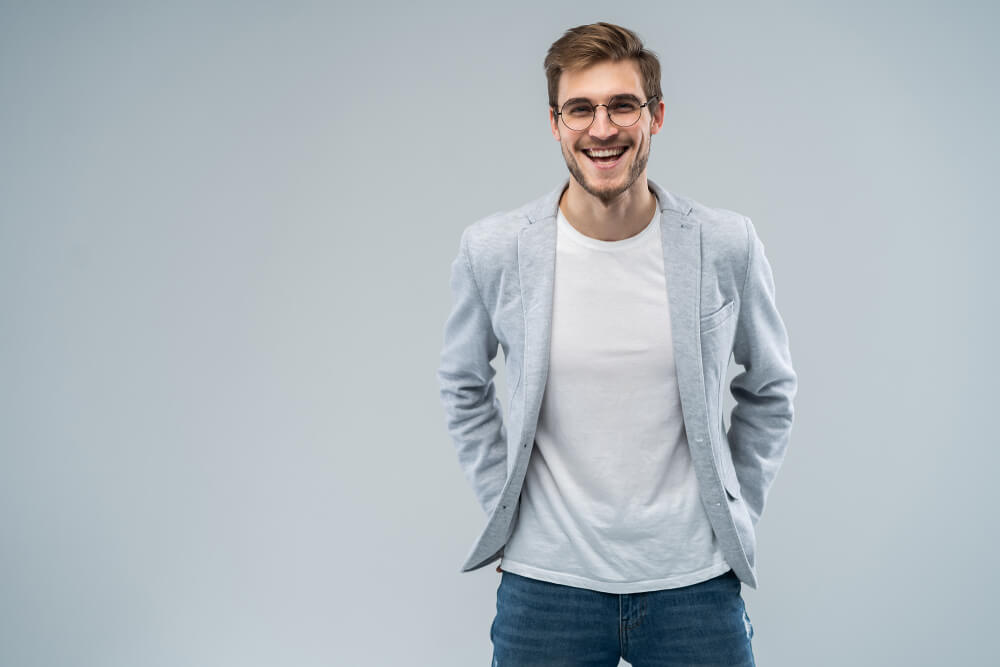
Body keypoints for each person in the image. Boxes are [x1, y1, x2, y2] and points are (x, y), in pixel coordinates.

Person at [436, 21, 797, 666]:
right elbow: (463, 386)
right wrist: (507, 507)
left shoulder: (726, 243)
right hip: (547, 586)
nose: (602, 128)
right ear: (555, 123)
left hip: (695, 586)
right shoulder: (493, 249)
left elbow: (770, 388)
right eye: (581, 108)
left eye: (622, 105)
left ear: (655, 116)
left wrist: (732, 507)